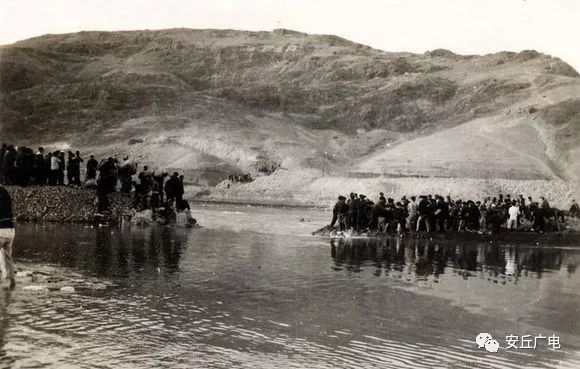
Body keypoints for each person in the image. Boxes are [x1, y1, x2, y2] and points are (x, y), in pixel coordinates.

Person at [0, 185, 15, 288]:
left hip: (0, 229)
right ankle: (11, 281)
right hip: (10, 230)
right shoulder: (5, 192)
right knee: (7, 257)